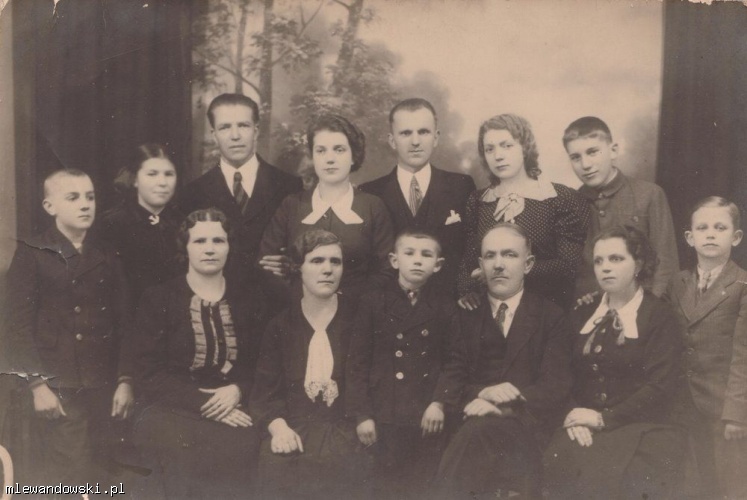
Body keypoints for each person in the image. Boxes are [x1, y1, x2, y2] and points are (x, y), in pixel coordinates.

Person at [3, 169, 132, 486]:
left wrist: (126, 380)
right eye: (73, 198)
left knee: (107, 473)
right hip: (56, 386)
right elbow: (15, 327)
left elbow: (124, 323)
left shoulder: (106, 254)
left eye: (90, 197)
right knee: (71, 474)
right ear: (50, 207)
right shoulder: (33, 252)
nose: (85, 204)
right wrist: (37, 386)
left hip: (102, 384)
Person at [126, 208, 265, 498]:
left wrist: (239, 390)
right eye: (200, 241)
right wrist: (205, 403)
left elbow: (261, 363)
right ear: (185, 247)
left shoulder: (249, 299)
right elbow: (148, 373)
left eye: (218, 240)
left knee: (246, 446)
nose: (209, 249)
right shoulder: (159, 298)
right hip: (169, 408)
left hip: (233, 405)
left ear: (229, 246)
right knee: (180, 451)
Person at [543, 225, 685, 500]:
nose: (605, 268)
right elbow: (560, 374)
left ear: (638, 265)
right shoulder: (583, 311)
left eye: (616, 259)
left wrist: (602, 419)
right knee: (558, 461)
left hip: (642, 427)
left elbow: (660, 387)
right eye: (599, 261)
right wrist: (574, 416)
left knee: (615, 477)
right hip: (583, 423)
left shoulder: (658, 315)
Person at [436, 223, 572, 498]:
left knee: (480, 434)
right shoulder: (462, 314)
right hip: (469, 425)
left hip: (528, 428)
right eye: (490, 256)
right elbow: (449, 378)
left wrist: (503, 405)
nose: (498, 264)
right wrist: (483, 393)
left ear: (528, 264)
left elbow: (555, 386)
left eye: (509, 255)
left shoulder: (551, 316)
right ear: (480, 265)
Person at [251, 229, 371, 499]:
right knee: (276, 468)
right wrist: (279, 428)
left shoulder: (360, 320)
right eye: (317, 261)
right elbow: (264, 394)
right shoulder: (280, 326)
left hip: (348, 430)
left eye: (335, 261)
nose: (328, 269)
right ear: (298, 268)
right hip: (294, 428)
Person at [346, 229, 458, 498]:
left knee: (423, 484)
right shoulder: (373, 302)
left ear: (438, 265)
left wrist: (439, 402)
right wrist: (362, 415)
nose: (417, 260)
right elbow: (357, 362)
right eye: (409, 253)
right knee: (386, 486)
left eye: (426, 255)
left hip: (427, 414)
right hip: (384, 412)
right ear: (394, 260)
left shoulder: (445, 306)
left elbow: (455, 361)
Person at [457, 114, 589, 310]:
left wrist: (505, 271)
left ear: (525, 148)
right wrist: (467, 290)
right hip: (488, 309)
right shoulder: (478, 201)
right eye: (490, 149)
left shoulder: (559, 198)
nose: (498, 156)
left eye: (507, 146)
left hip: (545, 309)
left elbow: (568, 266)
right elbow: (468, 260)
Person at [259, 114, 394, 303]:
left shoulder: (372, 207)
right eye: (321, 151)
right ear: (313, 157)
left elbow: (386, 271)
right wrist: (303, 303)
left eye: (339, 150)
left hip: (357, 313)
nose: (330, 159)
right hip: (298, 310)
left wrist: (349, 305)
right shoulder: (292, 205)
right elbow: (267, 264)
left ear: (353, 156)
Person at [666, 196, 747, 499]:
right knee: (690, 483)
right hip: (682, 403)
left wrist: (737, 413)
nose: (710, 234)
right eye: (702, 228)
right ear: (690, 238)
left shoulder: (742, 286)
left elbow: (744, 356)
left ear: (736, 237)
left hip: (723, 407)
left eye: (720, 228)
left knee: (729, 484)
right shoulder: (678, 283)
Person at [179, 93, 302, 286]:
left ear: (256, 130)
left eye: (243, 125)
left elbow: (300, 249)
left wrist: (291, 264)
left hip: (273, 297)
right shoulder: (193, 192)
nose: (235, 136)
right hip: (217, 296)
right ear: (214, 135)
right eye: (225, 127)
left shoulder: (289, 185)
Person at [360, 98, 475, 295]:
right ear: (392, 140)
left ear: (436, 138)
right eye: (406, 133)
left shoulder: (461, 186)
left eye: (423, 132)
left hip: (448, 304)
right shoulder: (370, 192)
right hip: (387, 305)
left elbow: (470, 250)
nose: (415, 142)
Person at [564, 116, 678, 298]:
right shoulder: (568, 206)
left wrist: (650, 309)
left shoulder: (649, 195)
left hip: (643, 307)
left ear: (613, 150)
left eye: (593, 152)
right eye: (576, 157)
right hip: (588, 309)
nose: (585, 165)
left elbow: (665, 267)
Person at [97, 143, 182, 307]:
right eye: (152, 174)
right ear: (135, 179)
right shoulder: (113, 224)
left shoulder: (184, 223)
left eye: (169, 174)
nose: (162, 182)